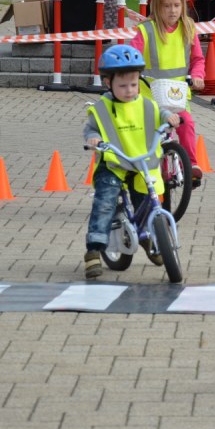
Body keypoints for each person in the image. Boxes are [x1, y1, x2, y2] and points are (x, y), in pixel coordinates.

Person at [83, 45, 181, 279]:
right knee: (105, 203)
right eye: (123, 86)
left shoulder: (146, 104)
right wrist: (93, 139)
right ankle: (94, 251)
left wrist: (169, 117)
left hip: (141, 163)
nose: (129, 90)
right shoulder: (102, 108)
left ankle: (150, 238)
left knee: (148, 202)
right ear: (108, 83)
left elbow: (160, 112)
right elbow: (91, 129)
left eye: (134, 84)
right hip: (114, 163)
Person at [131, 0, 205, 185]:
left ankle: (190, 165)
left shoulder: (188, 28)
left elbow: (198, 59)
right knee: (155, 135)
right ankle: (157, 171)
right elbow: (133, 56)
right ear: (157, 7)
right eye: (167, 6)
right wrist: (130, 76)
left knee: (186, 124)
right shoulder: (146, 30)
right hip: (150, 96)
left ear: (183, 6)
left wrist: (198, 75)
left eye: (176, 5)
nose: (172, 10)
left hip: (176, 96)